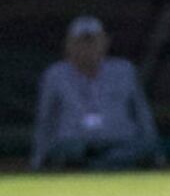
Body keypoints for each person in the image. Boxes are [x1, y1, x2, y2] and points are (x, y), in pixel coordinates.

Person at [32, 12, 159, 167]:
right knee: (66, 152)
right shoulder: (55, 74)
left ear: (105, 43)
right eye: (80, 42)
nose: (87, 48)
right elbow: (46, 121)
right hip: (73, 148)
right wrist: (38, 160)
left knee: (135, 150)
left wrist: (157, 157)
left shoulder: (125, 70)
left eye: (92, 42)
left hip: (120, 143)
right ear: (68, 45)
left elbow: (142, 114)